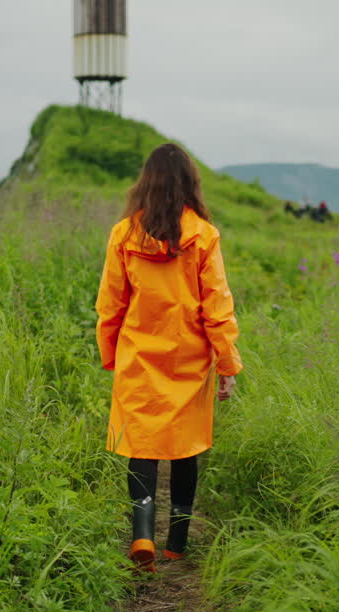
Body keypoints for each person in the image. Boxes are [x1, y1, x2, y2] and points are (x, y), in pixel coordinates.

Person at [95, 143, 243, 574]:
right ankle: (177, 543)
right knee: (185, 448)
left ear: (147, 183)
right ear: (189, 185)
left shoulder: (124, 235)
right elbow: (217, 307)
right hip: (189, 360)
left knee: (141, 445)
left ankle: (143, 533)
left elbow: (110, 303)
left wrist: (111, 353)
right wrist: (228, 364)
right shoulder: (204, 236)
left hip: (139, 355)